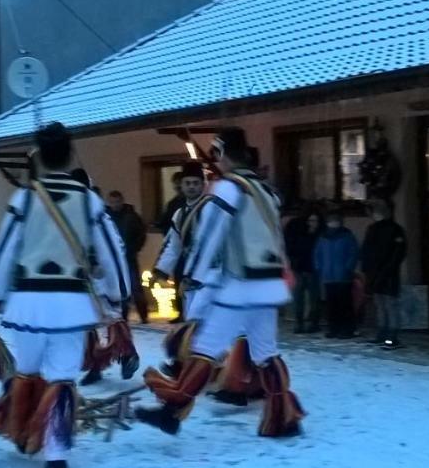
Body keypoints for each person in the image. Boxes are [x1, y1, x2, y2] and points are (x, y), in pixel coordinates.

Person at [0, 123, 129, 468]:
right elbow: (111, 250)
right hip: (70, 303)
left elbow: (4, 251)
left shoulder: (24, 199)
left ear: (38, 155)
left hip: (28, 303)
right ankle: (56, 453)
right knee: (63, 375)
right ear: (71, 153)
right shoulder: (88, 199)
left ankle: (22, 432)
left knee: (27, 371)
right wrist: (117, 292)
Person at [136, 126, 304, 438]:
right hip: (267, 285)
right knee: (266, 353)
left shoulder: (228, 189)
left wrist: (195, 279)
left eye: (216, 155)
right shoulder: (266, 191)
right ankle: (284, 417)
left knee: (205, 348)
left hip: (238, 286)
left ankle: (172, 411)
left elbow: (209, 238)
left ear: (223, 153)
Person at [153, 162, 207, 324]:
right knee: (191, 322)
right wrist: (161, 270)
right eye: (188, 183)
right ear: (181, 186)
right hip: (188, 275)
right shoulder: (179, 214)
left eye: (196, 183)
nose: (191, 187)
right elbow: (173, 246)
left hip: (210, 277)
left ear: (203, 185)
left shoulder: (211, 209)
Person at [360, 199, 407, 349]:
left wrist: (368, 270)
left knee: (385, 305)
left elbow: (367, 252)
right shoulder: (394, 229)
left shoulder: (378, 229)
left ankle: (388, 336)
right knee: (385, 304)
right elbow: (398, 253)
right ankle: (387, 336)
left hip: (380, 272)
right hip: (385, 273)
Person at [313, 210, 360, 339]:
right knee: (331, 304)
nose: (332, 224)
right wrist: (320, 268)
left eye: (335, 221)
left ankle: (347, 329)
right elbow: (317, 254)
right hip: (328, 276)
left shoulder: (347, 236)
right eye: (331, 222)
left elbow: (353, 253)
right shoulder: (323, 237)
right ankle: (333, 328)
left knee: (345, 304)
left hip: (343, 276)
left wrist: (348, 268)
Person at [106, 190, 149, 324]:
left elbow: (141, 234)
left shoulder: (131, 216)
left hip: (129, 257)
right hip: (113, 259)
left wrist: (133, 249)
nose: (115, 205)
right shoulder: (106, 217)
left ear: (122, 201)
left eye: (117, 201)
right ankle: (122, 316)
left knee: (135, 286)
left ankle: (143, 315)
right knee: (119, 287)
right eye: (112, 202)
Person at [283, 204, 322, 333]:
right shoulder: (316, 230)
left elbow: (288, 245)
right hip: (310, 266)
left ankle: (300, 323)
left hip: (299, 265)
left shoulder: (293, 226)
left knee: (300, 297)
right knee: (312, 297)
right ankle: (312, 323)